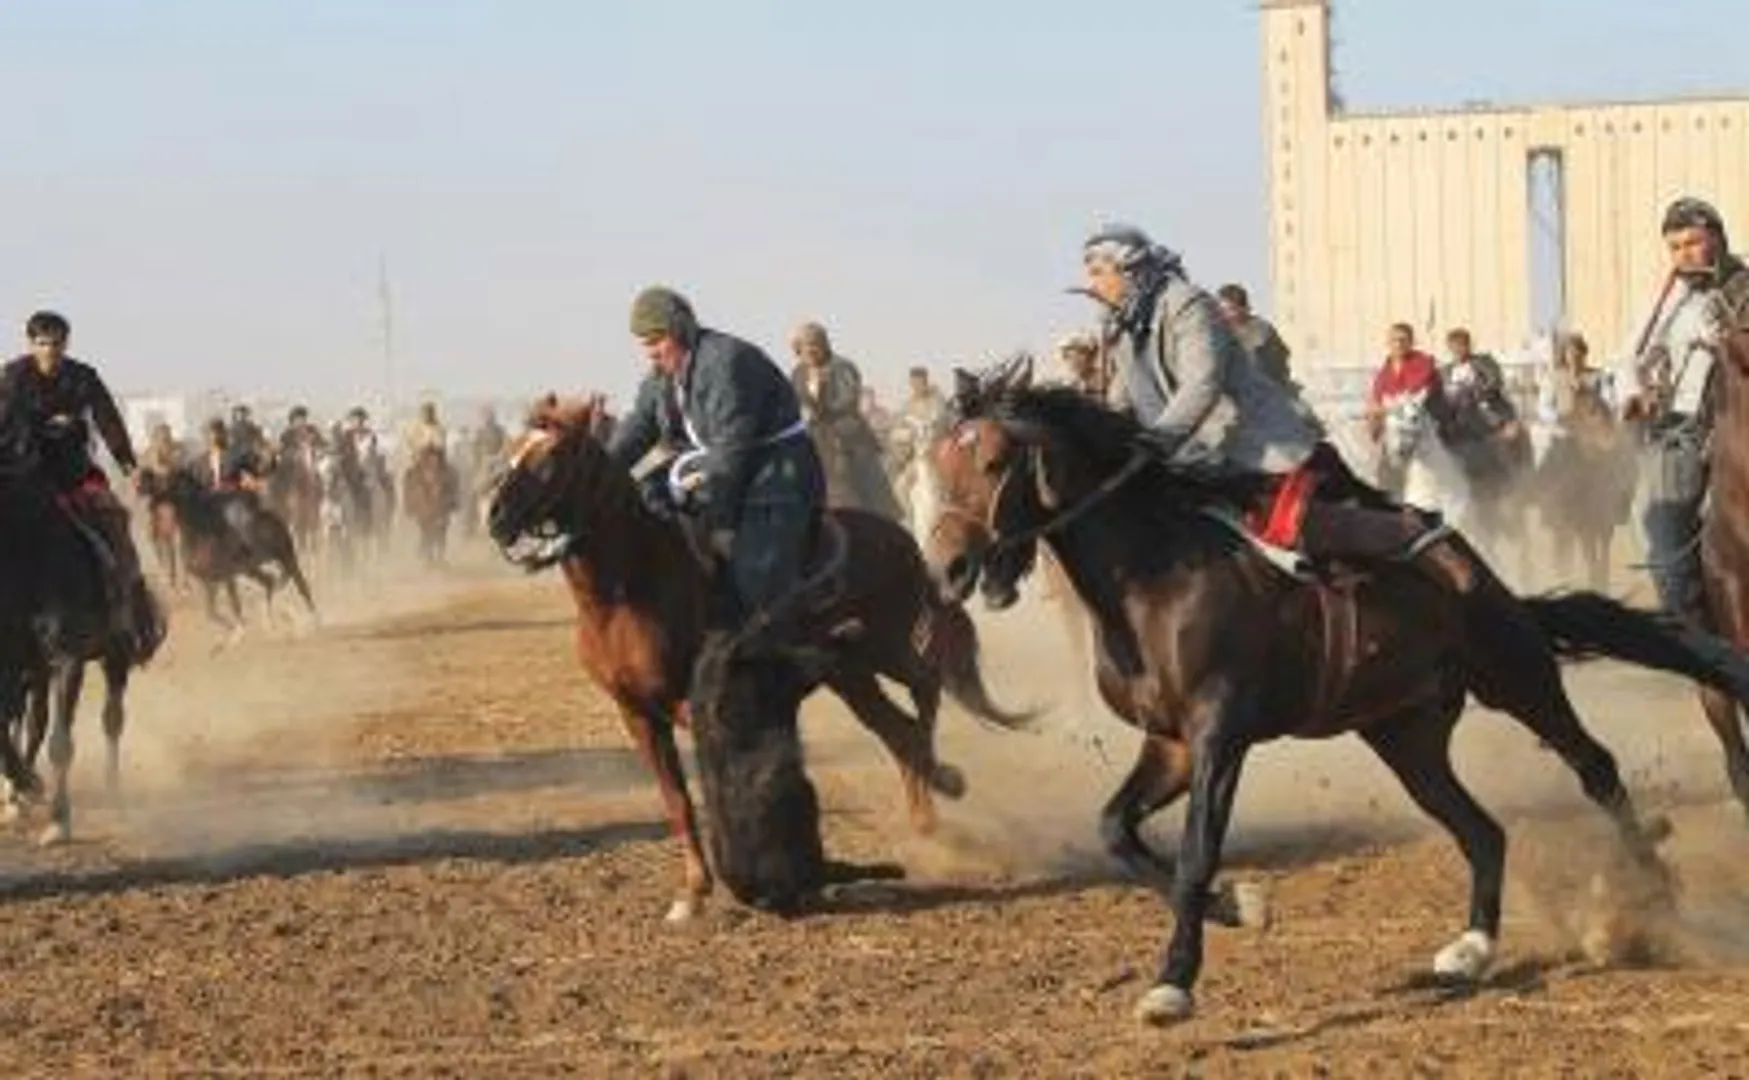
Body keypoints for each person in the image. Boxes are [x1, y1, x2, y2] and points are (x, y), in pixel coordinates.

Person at [1077, 224, 1475, 589]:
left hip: (1250, 448)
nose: (1089, 283)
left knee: (1294, 526)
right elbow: (1120, 400)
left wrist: (1156, 441)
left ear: (1129, 267)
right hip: (1184, 456)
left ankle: (1412, 533)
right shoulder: (1123, 328)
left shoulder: (1187, 304)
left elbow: (1203, 384)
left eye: (1097, 271)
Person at [608, 286, 834, 659]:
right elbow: (639, 426)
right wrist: (597, 468)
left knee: (752, 581)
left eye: (656, 339)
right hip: (722, 467)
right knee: (647, 503)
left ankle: (782, 667)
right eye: (643, 343)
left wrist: (717, 524)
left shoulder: (726, 362)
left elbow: (732, 452)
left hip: (775, 474)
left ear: (681, 329)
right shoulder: (662, 375)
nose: (650, 351)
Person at [0, 310, 163, 659]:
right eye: (42, 343)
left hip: (75, 475)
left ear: (66, 343)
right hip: (24, 474)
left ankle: (128, 606)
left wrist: (128, 465)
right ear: (30, 344)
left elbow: (108, 420)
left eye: (56, 343)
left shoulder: (83, 378)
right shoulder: (12, 378)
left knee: (113, 520)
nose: (49, 350)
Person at [1623, 196, 1749, 621]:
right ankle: (1694, 629)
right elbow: (1627, 360)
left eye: (1693, 243)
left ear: (1716, 238)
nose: (1684, 255)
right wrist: (1634, 392)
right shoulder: (1664, 304)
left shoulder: (1743, 288)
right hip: (1681, 429)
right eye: (1675, 247)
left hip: (1736, 420)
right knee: (1666, 539)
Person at [789, 322, 904, 521]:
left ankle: (883, 515)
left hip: (846, 432)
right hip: (813, 432)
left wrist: (820, 410)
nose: (810, 349)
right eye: (805, 346)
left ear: (824, 344)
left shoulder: (843, 366)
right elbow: (794, 399)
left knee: (865, 473)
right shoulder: (798, 372)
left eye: (814, 344)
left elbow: (848, 399)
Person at [1441, 327, 1527, 495]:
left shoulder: (1484, 362)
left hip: (1488, 414)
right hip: (1460, 421)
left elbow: (1495, 381)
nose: (1459, 349)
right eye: (1455, 345)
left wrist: (1473, 391)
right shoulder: (1445, 371)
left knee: (1508, 442)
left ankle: (1513, 486)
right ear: (1449, 348)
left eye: (1462, 345)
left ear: (1469, 345)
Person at [1216, 283, 1294, 389]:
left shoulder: (1261, 331)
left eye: (1231, 309)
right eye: (1221, 310)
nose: (1225, 315)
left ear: (1244, 308)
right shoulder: (1218, 332)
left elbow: (1278, 365)